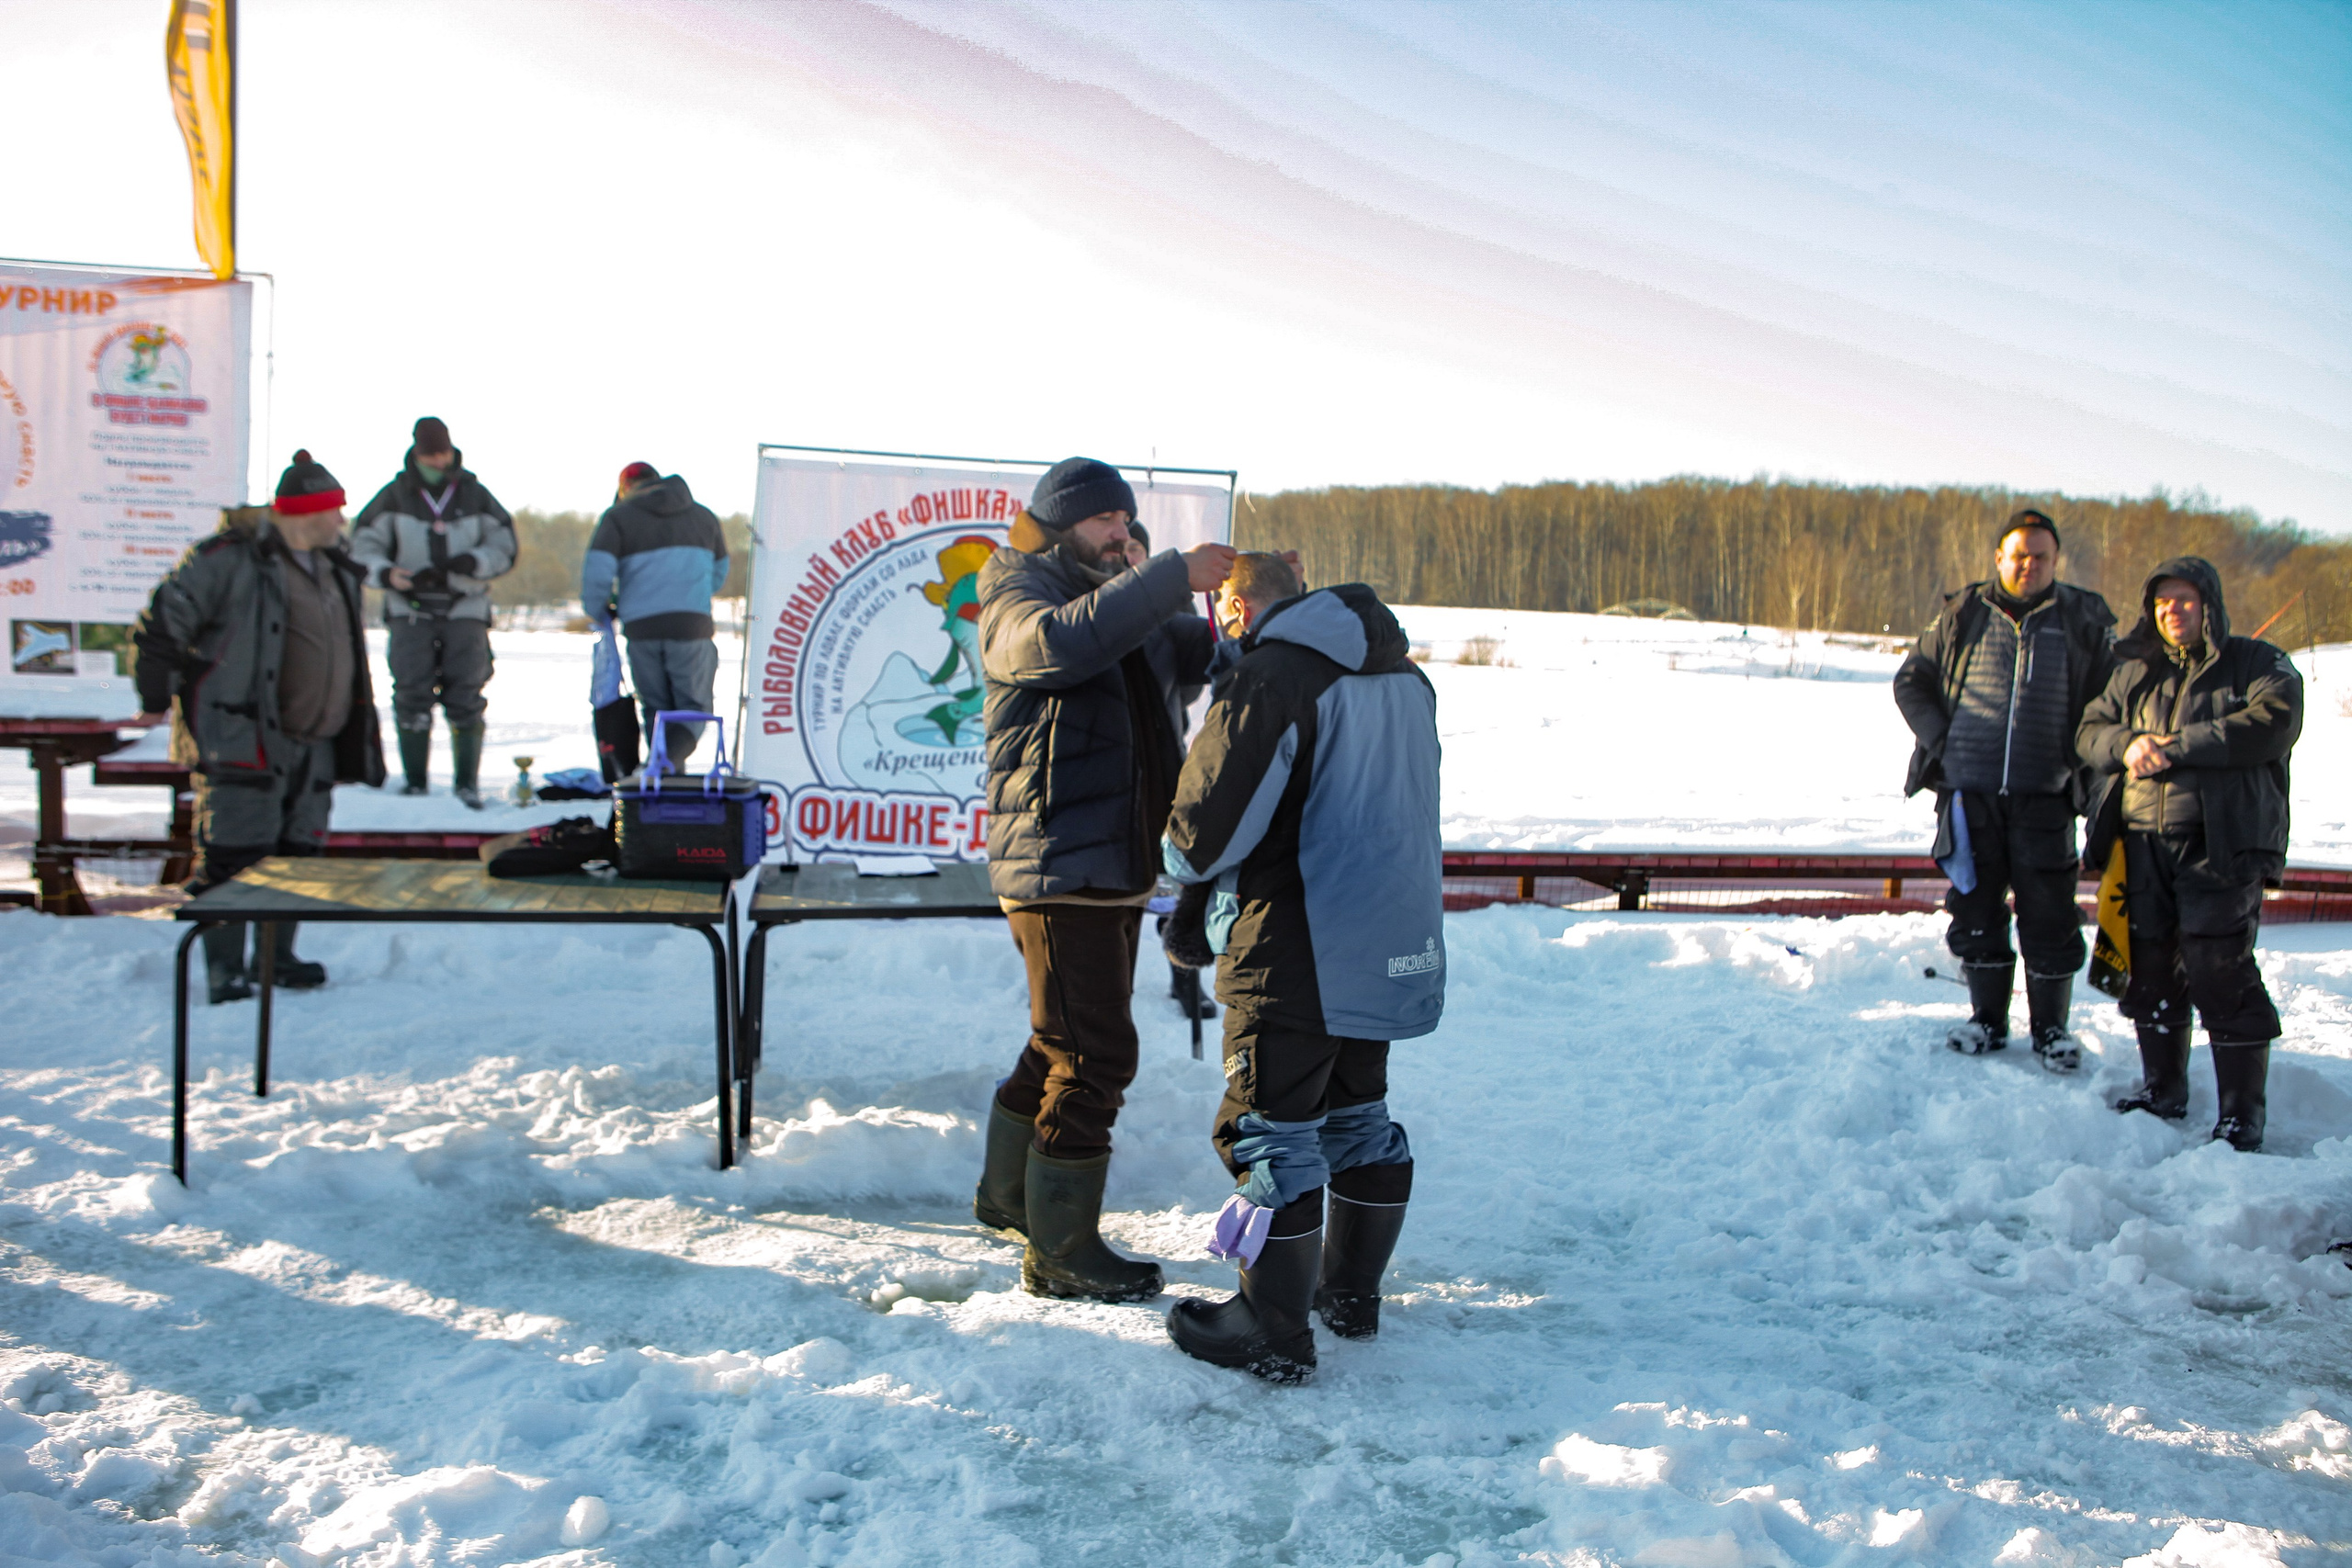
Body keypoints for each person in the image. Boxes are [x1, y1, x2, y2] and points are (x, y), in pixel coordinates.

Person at [1159, 567, 1444, 1383]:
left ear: (1238, 606)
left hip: (1297, 944)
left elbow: (1202, 836)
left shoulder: (1270, 676)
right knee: (1358, 1113)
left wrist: (1176, 861)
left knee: (1269, 1130)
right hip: (1389, 936)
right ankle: (1351, 1295)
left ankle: (1272, 1327)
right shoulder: (1407, 677)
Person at [971, 457, 1235, 1303]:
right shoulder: (1019, 591)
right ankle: (1060, 1250)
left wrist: (1251, 606)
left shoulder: (1121, 599)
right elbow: (1057, 647)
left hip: (1114, 861)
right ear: (1059, 527)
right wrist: (1163, 577)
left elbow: (1195, 653)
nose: (1122, 532)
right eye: (1103, 522)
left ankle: (1012, 1197)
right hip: (1056, 857)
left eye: (1128, 519)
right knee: (1095, 1052)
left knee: (1063, 1039)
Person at [131, 452, 386, 1002]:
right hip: (240, 737)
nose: (342, 522)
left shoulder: (333, 563)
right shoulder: (226, 559)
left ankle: (277, 957)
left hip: (315, 741)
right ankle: (226, 970)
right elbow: (162, 622)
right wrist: (155, 696)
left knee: (298, 854)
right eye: (333, 511)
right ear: (305, 513)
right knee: (233, 854)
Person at [2077, 558, 2302, 1151]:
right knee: (2150, 969)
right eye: (2161, 602)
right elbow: (2089, 729)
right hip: (2141, 845)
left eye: (2184, 599)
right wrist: (2127, 744)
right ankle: (2163, 1091)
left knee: (2218, 969)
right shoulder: (2137, 671)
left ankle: (2240, 1115)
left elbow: (2275, 719)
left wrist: (2177, 745)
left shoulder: (2256, 661)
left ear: (2210, 602)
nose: (2172, 610)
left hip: (2221, 845)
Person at [1892, 509, 2116, 1068]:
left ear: (2055, 561)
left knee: (2050, 913)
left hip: (2048, 795)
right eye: (2019, 554)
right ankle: (1987, 1020)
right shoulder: (1964, 614)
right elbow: (1910, 681)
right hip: (1970, 798)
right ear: (1999, 558)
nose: (2029, 564)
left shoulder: (2082, 619)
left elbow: (2109, 700)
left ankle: (2051, 1030)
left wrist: (2084, 762)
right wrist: (1947, 740)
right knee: (1975, 908)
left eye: (2040, 556)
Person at [350, 416, 516, 807]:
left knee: (467, 693)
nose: (438, 462)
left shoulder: (476, 495)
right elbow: (362, 547)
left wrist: (474, 562)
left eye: (443, 454)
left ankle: (466, 784)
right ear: (417, 454)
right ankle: (415, 783)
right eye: (431, 455)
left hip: (466, 610)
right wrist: (390, 574)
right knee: (410, 692)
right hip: (409, 610)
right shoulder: (393, 496)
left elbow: (504, 544)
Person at [581, 461, 730, 768]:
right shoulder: (704, 517)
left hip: (641, 630)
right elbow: (719, 573)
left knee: (657, 710)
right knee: (693, 709)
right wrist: (690, 595)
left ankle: (660, 776)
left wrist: (598, 610)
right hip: (692, 628)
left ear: (624, 489)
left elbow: (597, 571)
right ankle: (663, 769)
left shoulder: (618, 516)